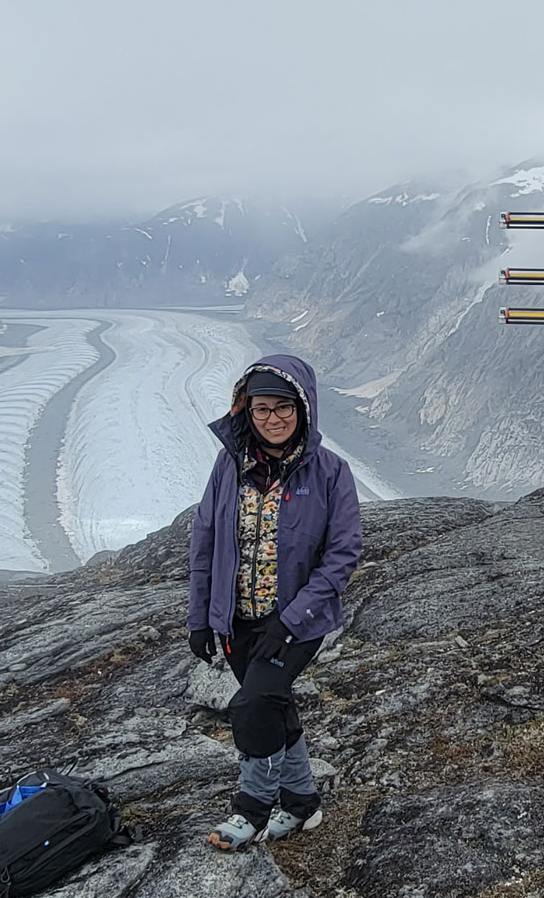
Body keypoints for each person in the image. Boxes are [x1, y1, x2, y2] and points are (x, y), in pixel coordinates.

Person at [187, 355, 362, 851]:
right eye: (261, 408)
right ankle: (303, 804)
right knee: (274, 707)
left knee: (252, 706)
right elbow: (206, 539)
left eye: (283, 407)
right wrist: (200, 618)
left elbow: (343, 553)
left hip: (296, 623)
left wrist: (288, 623)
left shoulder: (330, 471)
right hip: (238, 620)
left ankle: (252, 809)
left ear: (303, 408)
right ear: (247, 411)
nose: (273, 419)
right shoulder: (230, 465)